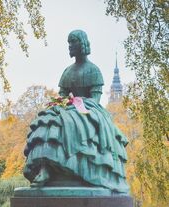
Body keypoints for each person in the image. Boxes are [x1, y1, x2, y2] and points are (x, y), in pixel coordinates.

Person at [23, 30, 129, 194]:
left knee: (70, 119)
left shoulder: (93, 71)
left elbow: (95, 99)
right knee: (47, 120)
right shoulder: (67, 72)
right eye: (69, 43)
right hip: (67, 107)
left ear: (82, 44)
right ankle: (46, 168)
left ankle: (80, 167)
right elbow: (63, 95)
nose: (70, 46)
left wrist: (77, 104)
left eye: (73, 42)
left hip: (88, 109)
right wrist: (63, 103)